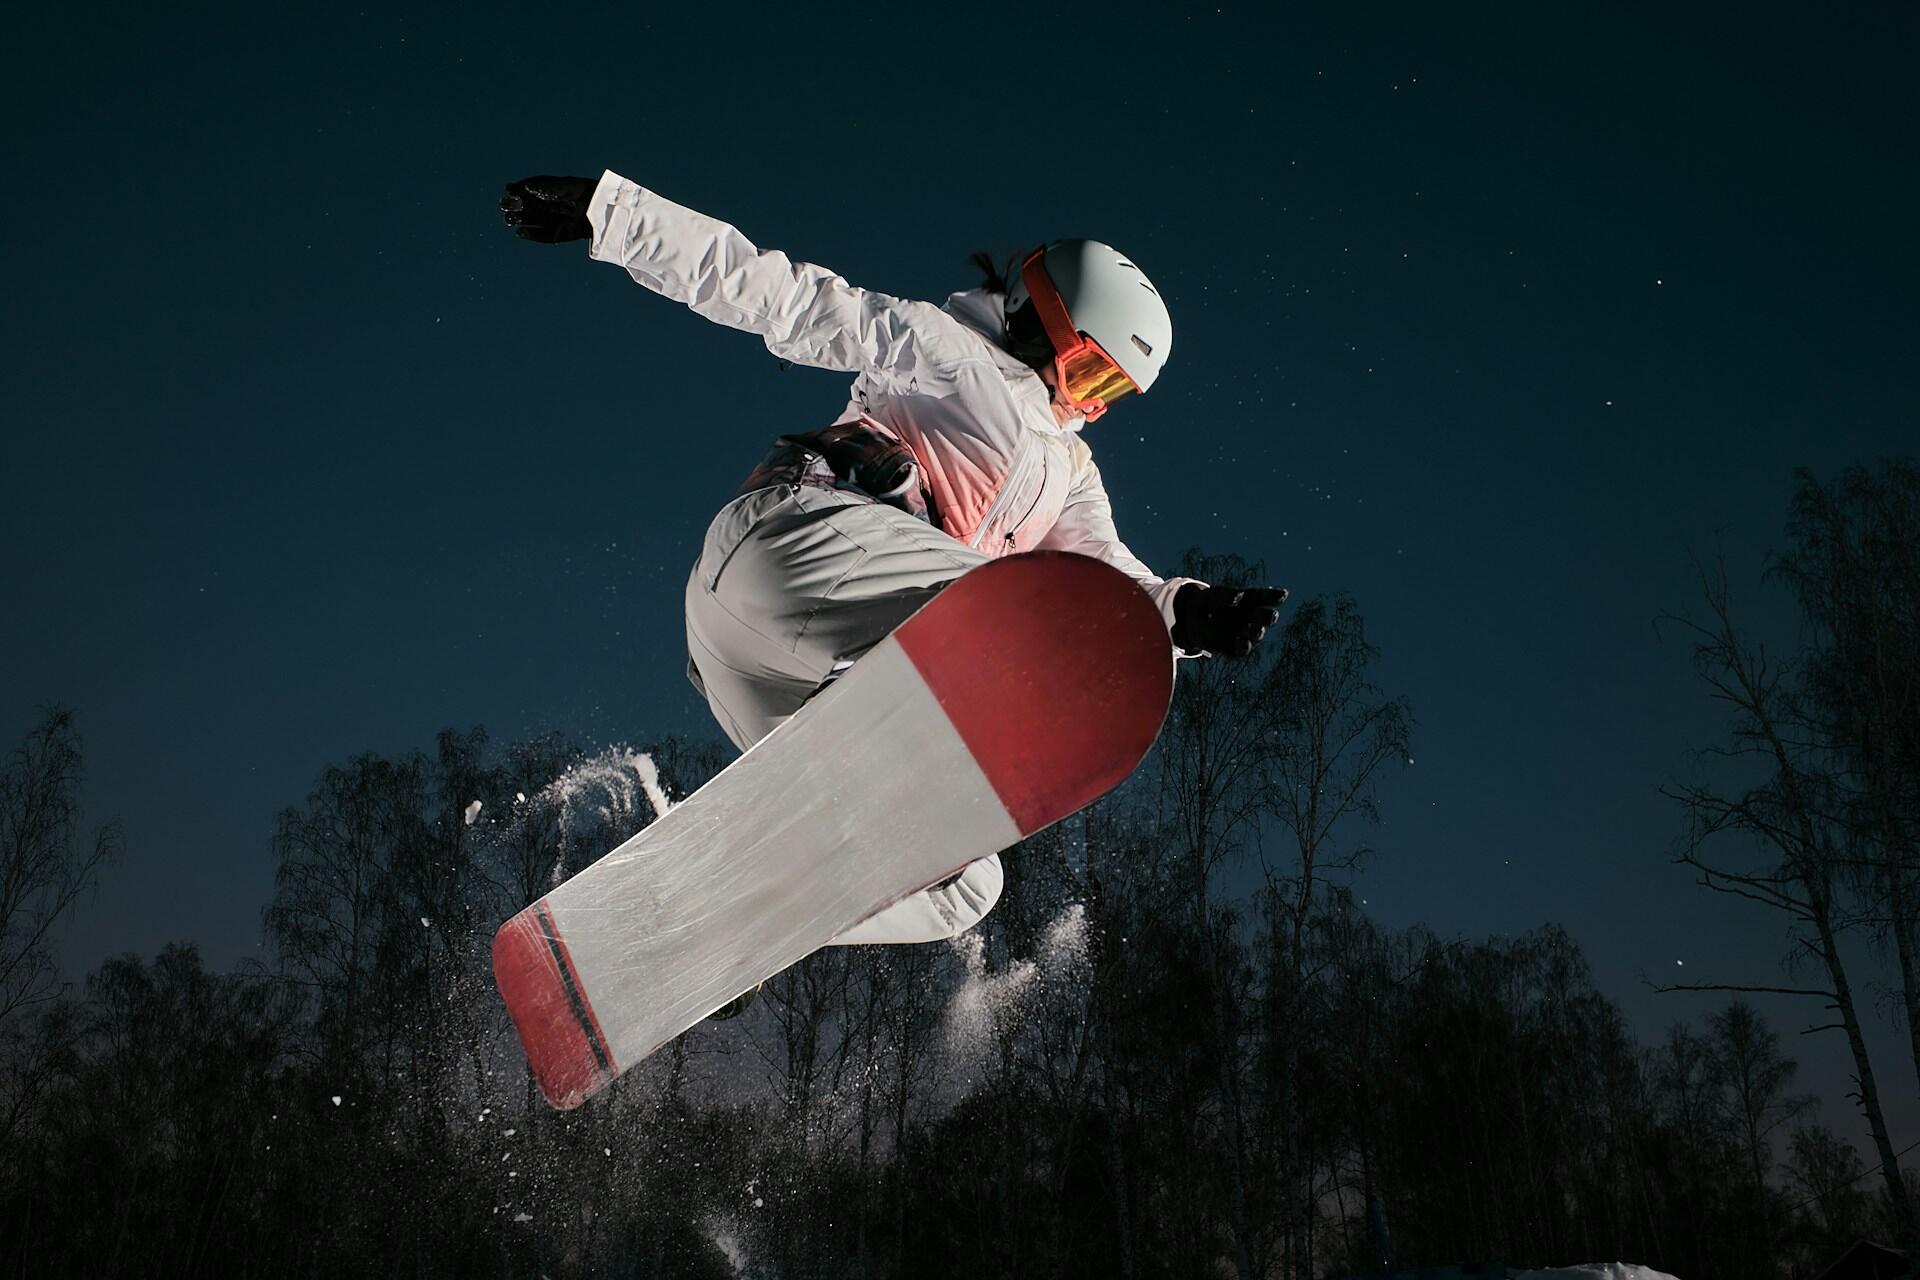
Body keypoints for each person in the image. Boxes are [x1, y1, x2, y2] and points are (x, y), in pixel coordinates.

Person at [501, 171, 1286, 953]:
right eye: (1091, 373)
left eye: (1115, 391)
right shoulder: (946, 350)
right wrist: (613, 215)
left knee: (962, 882)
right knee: (1026, 616)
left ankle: (719, 924)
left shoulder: (1073, 472)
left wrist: (1186, 611)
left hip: (771, 670)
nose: (1092, 404)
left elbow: (1108, 581)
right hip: (790, 543)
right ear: (1044, 324)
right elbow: (782, 294)